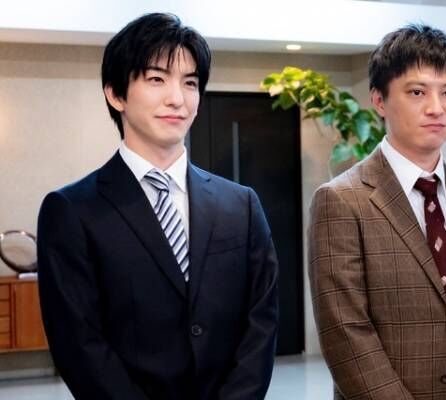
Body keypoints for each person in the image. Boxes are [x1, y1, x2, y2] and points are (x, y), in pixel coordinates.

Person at [37, 13, 278, 400]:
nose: (177, 98)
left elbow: (261, 321)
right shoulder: (72, 211)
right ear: (115, 94)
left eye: (190, 83)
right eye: (156, 79)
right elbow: (79, 345)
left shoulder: (241, 205)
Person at [308, 24, 446, 399]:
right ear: (379, 100)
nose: (436, 108)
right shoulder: (340, 200)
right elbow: (346, 333)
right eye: (417, 92)